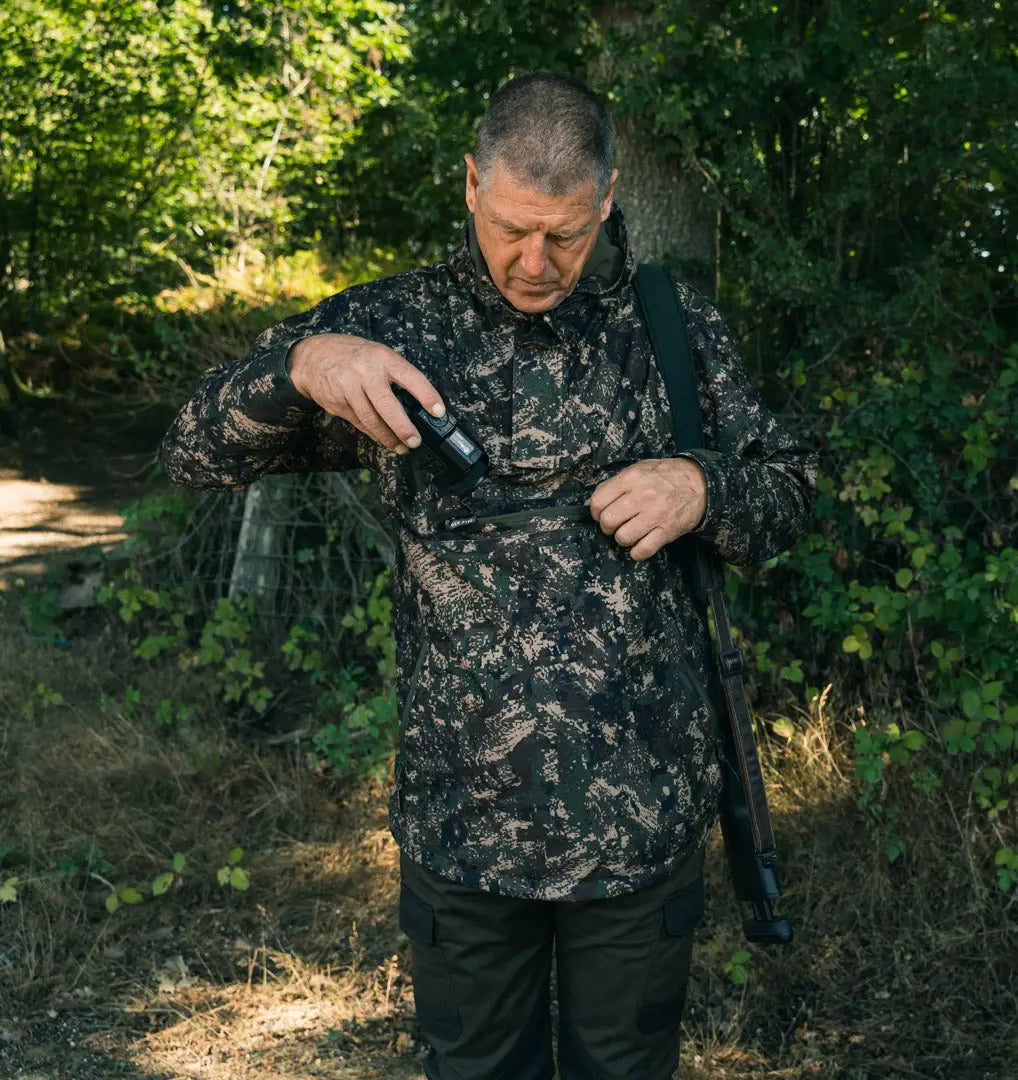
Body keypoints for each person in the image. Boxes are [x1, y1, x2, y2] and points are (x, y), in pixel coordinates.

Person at [160, 71, 816, 1080]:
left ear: (605, 200)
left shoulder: (670, 329)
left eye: (565, 232)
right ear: (470, 185)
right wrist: (300, 365)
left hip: (639, 829)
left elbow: (795, 492)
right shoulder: (394, 328)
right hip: (463, 834)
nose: (536, 261)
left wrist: (703, 484)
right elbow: (195, 455)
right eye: (513, 227)